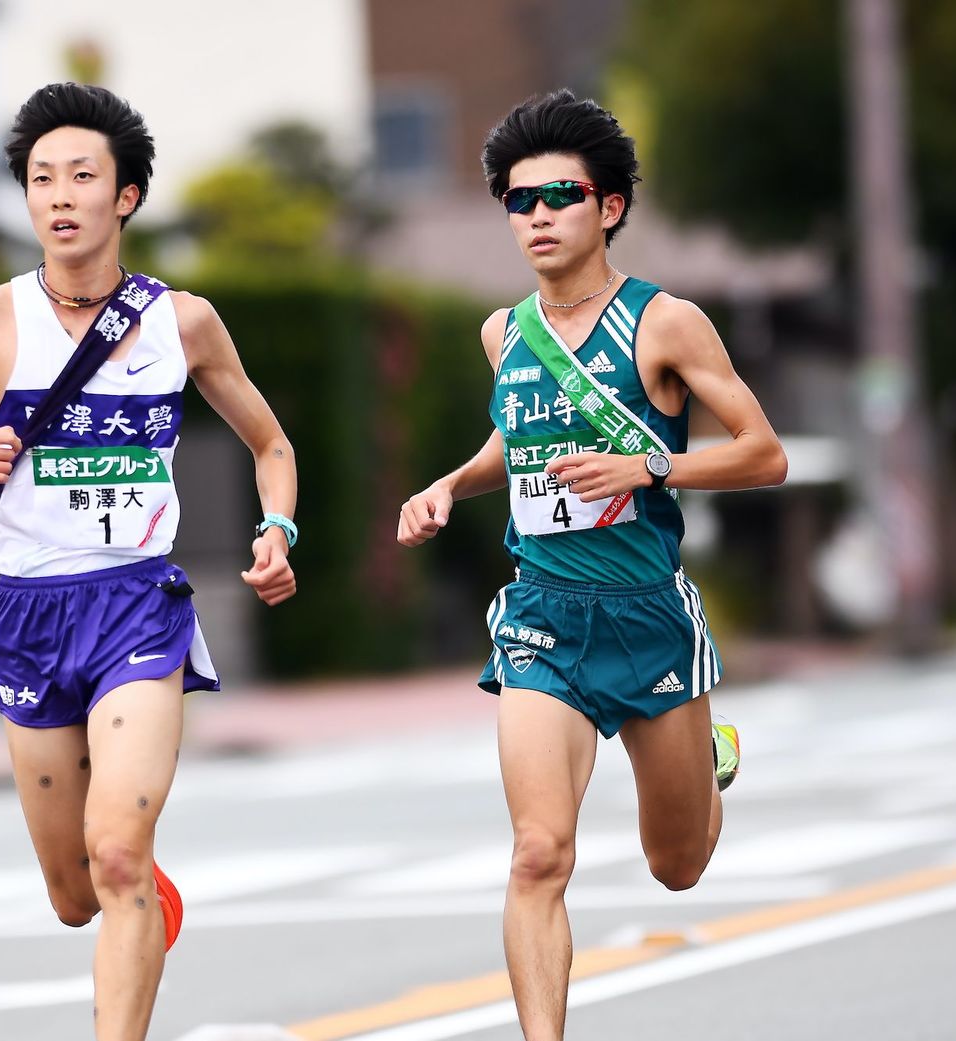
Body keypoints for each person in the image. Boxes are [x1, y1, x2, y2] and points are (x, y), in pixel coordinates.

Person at [0, 83, 297, 1041]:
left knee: (114, 851)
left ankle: (130, 904)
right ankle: (139, 900)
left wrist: (279, 530)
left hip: (138, 608)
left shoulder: (182, 322)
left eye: (81, 175)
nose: (59, 195)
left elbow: (271, 445)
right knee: (78, 893)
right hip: (28, 614)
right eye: (40, 179)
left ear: (128, 196)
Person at [397, 89, 786, 1039]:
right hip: (543, 614)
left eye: (558, 195)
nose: (536, 217)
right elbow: (514, 448)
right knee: (538, 853)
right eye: (518, 201)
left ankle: (708, 752)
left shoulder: (667, 323)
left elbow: (762, 452)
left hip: (648, 613)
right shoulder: (504, 333)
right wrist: (449, 483)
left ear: (608, 206)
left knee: (677, 864)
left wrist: (648, 461)